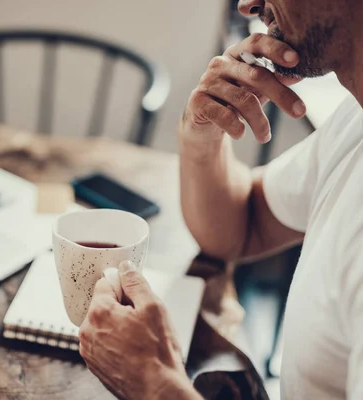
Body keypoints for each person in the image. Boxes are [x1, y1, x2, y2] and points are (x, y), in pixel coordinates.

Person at [78, 0, 363, 399]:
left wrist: (153, 384)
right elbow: (242, 224)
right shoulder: (355, 121)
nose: (248, 5)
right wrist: (201, 136)